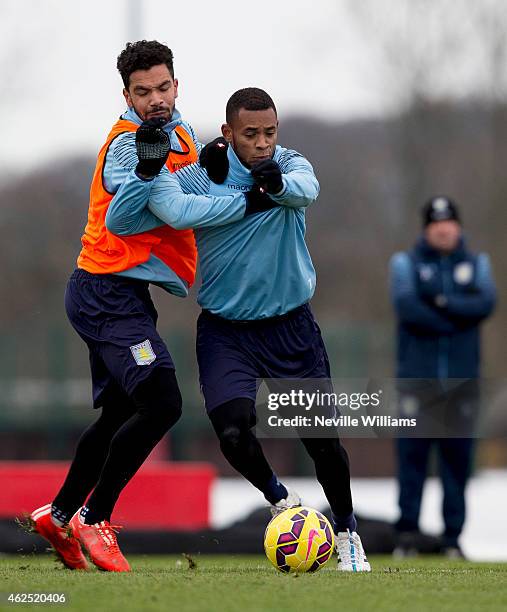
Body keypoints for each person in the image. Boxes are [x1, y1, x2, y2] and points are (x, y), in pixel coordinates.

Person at [29, 42, 278, 573]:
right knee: (164, 401)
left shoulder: (183, 132)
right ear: (127, 96)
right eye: (143, 92)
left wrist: (208, 165)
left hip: (125, 293)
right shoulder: (127, 145)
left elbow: (180, 181)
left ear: (176, 85)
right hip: (104, 291)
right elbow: (140, 200)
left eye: (163, 87)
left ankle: (60, 513)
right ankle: (95, 518)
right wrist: (236, 197)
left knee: (122, 412)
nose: (156, 100)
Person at [106, 87, 371, 572]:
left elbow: (307, 189)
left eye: (270, 132)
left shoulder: (291, 164)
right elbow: (134, 217)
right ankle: (281, 500)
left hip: (292, 327)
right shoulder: (203, 176)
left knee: (323, 441)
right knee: (230, 430)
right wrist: (158, 174)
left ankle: (350, 533)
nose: (263, 143)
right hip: (227, 332)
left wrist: (278, 185)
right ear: (229, 134)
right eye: (251, 134)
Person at [389, 196, 496, 558]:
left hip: (462, 383)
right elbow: (408, 308)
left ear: (458, 226)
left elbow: (485, 304)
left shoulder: (477, 263)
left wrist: (441, 303)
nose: (443, 229)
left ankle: (452, 539)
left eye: (449, 223)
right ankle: (407, 536)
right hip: (417, 382)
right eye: (436, 224)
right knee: (412, 461)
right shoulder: (405, 263)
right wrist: (456, 320)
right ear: (426, 229)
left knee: (456, 464)